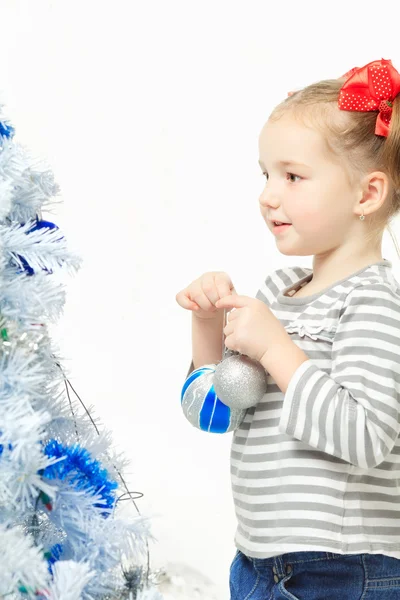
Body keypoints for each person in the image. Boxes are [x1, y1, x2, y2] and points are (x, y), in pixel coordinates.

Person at [175, 58, 400, 599]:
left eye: (293, 176)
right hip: (257, 564)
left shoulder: (374, 303)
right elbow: (212, 416)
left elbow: (368, 439)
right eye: (265, 174)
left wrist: (278, 349)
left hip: (342, 571)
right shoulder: (278, 292)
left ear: (366, 195)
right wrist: (208, 328)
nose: (268, 195)